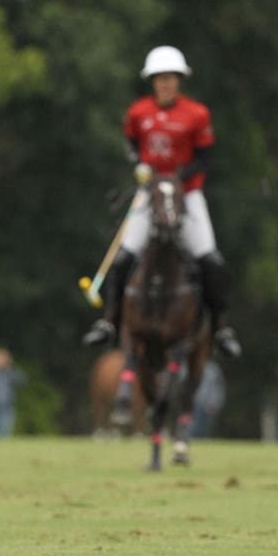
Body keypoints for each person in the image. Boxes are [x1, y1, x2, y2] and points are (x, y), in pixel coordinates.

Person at [82, 46, 242, 359]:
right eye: (159, 79)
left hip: (188, 194)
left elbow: (205, 156)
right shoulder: (139, 112)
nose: (165, 84)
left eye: (170, 78)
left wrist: (178, 178)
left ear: (179, 80)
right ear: (152, 81)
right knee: (123, 257)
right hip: (149, 192)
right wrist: (138, 163)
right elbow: (130, 142)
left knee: (211, 260)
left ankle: (222, 328)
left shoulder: (197, 114)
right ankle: (108, 323)